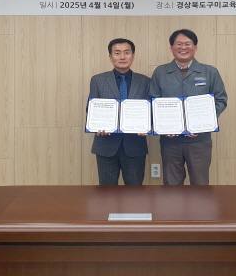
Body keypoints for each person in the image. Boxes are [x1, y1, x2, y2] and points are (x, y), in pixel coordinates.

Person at [149, 29, 227, 185]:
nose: (183, 47)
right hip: (170, 141)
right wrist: (163, 126)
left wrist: (202, 124)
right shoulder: (160, 72)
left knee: (200, 184)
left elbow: (220, 100)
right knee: (172, 185)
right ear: (171, 48)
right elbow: (153, 101)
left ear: (195, 47)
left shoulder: (210, 72)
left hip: (200, 140)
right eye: (178, 44)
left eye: (187, 44)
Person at [89, 38, 150, 185]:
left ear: (133, 56)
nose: (122, 57)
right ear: (110, 57)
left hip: (135, 145)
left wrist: (149, 126)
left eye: (126, 53)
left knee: (135, 192)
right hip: (105, 145)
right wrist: (96, 125)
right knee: (107, 192)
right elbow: (91, 109)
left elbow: (151, 111)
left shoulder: (145, 81)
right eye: (117, 53)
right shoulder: (98, 80)